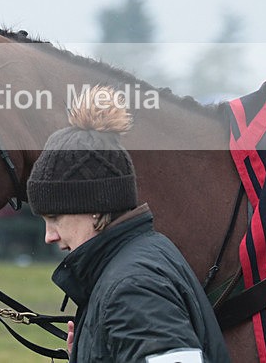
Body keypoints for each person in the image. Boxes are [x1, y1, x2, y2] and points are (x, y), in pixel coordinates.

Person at [27, 86, 230, 363]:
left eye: (54, 218)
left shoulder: (133, 288)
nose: (49, 236)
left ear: (95, 208)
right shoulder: (140, 259)